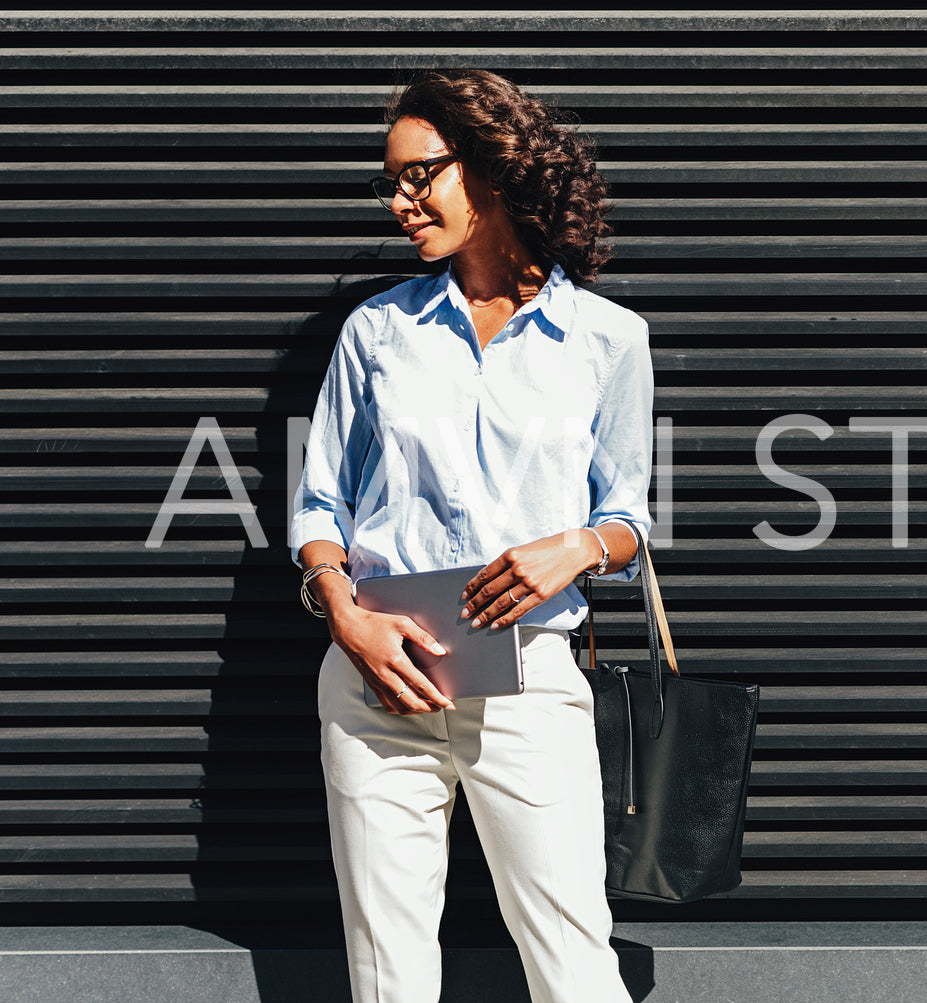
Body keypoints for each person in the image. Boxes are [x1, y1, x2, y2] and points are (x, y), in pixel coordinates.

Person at [291, 69, 649, 1003]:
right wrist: (342, 614)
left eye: (421, 175)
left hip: (528, 674)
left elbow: (629, 516)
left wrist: (576, 546)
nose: (402, 202)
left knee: (574, 960)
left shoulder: (606, 339)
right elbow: (319, 505)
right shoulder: (377, 331)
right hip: (379, 671)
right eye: (393, 183)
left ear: (490, 169)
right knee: (388, 973)